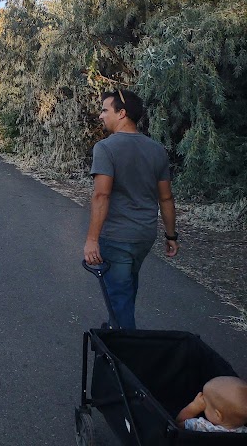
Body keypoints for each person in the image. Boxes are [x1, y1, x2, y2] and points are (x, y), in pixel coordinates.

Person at [83, 89, 179, 329]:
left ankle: (125, 352)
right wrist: (171, 235)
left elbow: (102, 194)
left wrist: (92, 240)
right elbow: (166, 198)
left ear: (122, 113)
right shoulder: (157, 150)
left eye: (105, 110)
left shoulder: (105, 148)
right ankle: (119, 331)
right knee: (126, 287)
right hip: (144, 236)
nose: (101, 115)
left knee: (119, 300)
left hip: (117, 237)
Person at [176, 376, 247, 433]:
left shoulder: (201, 426)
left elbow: (177, 424)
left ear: (217, 415)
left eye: (205, 404)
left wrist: (194, 407)